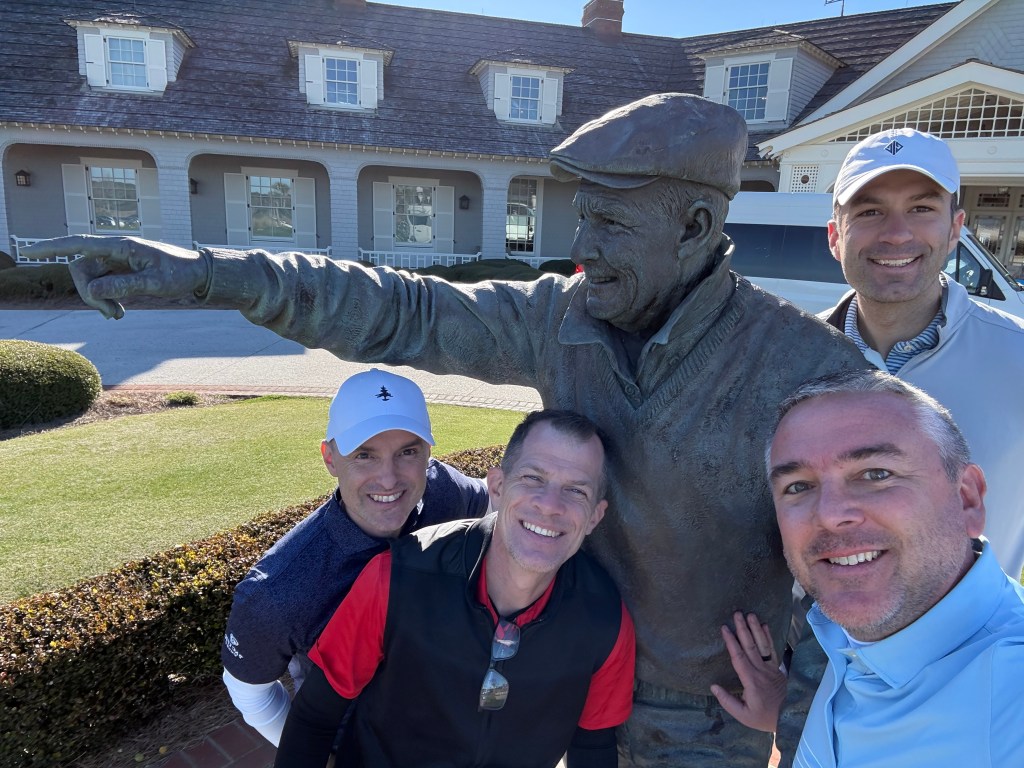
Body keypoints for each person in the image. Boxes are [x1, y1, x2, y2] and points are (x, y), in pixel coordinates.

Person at [27, 92, 867, 767]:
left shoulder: (807, 370)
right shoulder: (558, 321)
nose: (579, 248)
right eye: (582, 217)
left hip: (705, 731)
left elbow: (864, 567)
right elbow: (399, 310)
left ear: (694, 228)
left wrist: (799, 717)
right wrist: (214, 275)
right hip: (563, 693)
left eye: (610, 224)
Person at [274, 409, 635, 768]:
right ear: (497, 486)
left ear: (594, 517)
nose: (550, 506)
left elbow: (593, 743)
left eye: (575, 490)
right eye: (533, 478)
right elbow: (315, 717)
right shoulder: (398, 577)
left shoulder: (604, 618)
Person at [714, 370, 1024, 766]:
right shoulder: (843, 643)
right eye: (798, 486)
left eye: (876, 474)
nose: (829, 515)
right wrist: (794, 716)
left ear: (967, 500)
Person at [220, 368, 489, 745]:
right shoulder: (275, 591)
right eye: (365, 455)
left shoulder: (443, 490)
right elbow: (249, 692)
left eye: (407, 452)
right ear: (330, 458)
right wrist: (315, 756)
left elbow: (497, 500)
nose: (389, 479)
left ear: (428, 452)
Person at [822, 127, 1024, 581]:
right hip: (814, 650)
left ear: (955, 229)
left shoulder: (1019, 356)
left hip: (974, 650)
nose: (896, 234)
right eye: (870, 211)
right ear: (836, 236)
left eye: (922, 208)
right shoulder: (787, 358)